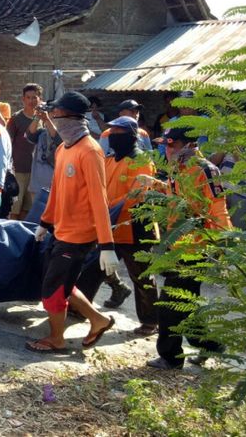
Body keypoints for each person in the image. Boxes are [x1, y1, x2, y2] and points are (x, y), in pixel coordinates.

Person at [27, 91, 120, 353]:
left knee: (52, 291)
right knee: (62, 285)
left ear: (70, 117)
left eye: (55, 113)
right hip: (61, 230)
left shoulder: (90, 151)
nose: (52, 117)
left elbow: (99, 200)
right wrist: (45, 223)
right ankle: (99, 320)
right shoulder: (62, 148)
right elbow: (56, 190)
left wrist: (107, 245)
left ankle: (56, 339)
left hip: (79, 236)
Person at [139, 127, 231, 369]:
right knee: (185, 304)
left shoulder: (205, 169)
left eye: (171, 145)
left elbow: (218, 208)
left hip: (196, 249)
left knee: (170, 305)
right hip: (176, 245)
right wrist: (156, 184)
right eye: (165, 145)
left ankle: (170, 357)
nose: (166, 150)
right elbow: (176, 195)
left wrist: (223, 244)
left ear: (189, 145)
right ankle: (211, 346)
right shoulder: (177, 168)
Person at [103, 116, 159, 336]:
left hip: (136, 226)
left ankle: (150, 321)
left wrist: (106, 207)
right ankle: (115, 290)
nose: (112, 136)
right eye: (111, 132)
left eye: (118, 133)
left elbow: (136, 195)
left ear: (130, 136)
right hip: (110, 223)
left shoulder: (142, 161)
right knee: (93, 265)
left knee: (142, 276)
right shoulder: (110, 159)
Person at [7, 83, 42, 220]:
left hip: (36, 170)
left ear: (40, 99)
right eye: (28, 97)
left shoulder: (43, 119)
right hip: (19, 169)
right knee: (15, 208)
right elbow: (8, 142)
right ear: (23, 99)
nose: (31, 101)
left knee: (28, 209)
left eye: (34, 97)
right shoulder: (16, 119)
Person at [25, 99, 61, 198]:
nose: (52, 114)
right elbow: (30, 134)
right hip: (37, 187)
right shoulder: (41, 133)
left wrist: (47, 120)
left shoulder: (65, 132)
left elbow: (59, 139)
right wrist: (37, 117)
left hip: (56, 187)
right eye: (50, 112)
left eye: (54, 112)